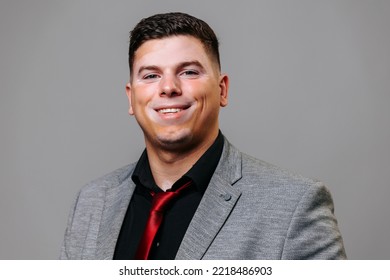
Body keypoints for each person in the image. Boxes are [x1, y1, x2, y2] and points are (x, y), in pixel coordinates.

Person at [60, 12, 346, 260]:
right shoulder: (92, 202)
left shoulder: (294, 205)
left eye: (188, 71)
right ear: (131, 97)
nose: (168, 87)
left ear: (222, 90)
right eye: (150, 76)